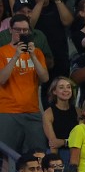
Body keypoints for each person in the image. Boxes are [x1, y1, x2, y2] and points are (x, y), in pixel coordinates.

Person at [0, 14, 50, 153]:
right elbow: (2, 79)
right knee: (7, 154)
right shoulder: (2, 52)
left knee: (37, 153)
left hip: (32, 110)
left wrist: (32, 55)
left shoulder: (37, 53)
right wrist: (16, 55)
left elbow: (45, 78)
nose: (21, 33)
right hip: (7, 111)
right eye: (18, 30)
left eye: (25, 30)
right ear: (10, 30)